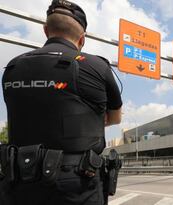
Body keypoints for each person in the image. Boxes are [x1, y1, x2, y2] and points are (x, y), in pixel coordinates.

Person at [1, 0, 122, 204]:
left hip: (18, 179)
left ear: (46, 30)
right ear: (82, 39)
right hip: (77, 184)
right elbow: (115, 118)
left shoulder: (13, 67)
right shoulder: (96, 66)